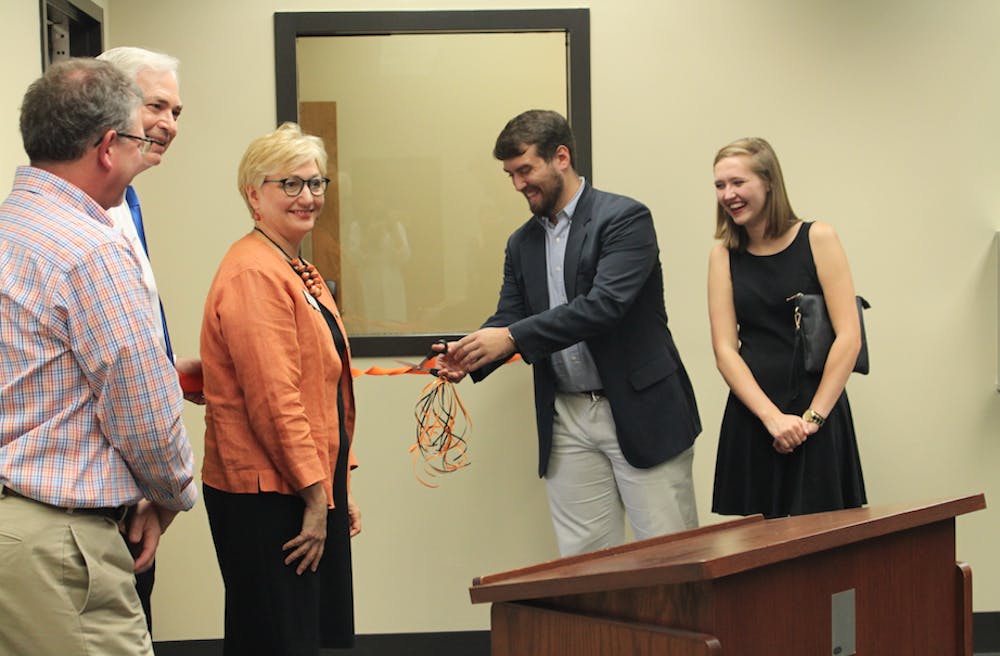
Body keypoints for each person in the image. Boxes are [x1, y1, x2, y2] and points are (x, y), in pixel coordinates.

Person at [436, 109, 701, 557]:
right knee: (585, 563)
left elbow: (604, 307)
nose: (518, 185)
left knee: (669, 558)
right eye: (510, 175)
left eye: (525, 170)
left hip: (640, 410)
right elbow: (510, 316)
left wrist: (513, 338)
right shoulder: (521, 243)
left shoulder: (625, 219)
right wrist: (470, 353)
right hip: (567, 418)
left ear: (561, 157)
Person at [0, 58, 196, 656]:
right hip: (57, 544)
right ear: (109, 146)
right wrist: (171, 492)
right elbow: (145, 417)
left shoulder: (10, 230)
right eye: (139, 135)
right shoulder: (92, 253)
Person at [200, 122, 361, 656]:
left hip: (303, 481)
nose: (307, 197)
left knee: (303, 635)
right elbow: (275, 402)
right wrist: (318, 499)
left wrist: (339, 488)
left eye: (316, 183)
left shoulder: (293, 266)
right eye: (289, 184)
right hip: (270, 495)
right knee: (277, 639)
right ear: (254, 193)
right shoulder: (255, 274)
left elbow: (322, 389)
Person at [708, 137, 866, 518]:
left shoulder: (819, 238)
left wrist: (812, 418)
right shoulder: (722, 255)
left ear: (768, 182)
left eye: (737, 182)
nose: (728, 194)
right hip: (755, 418)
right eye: (720, 185)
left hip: (819, 416)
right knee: (757, 557)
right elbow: (725, 349)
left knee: (826, 552)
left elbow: (849, 336)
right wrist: (772, 418)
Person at [97, 44, 200, 633]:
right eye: (155, 106)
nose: (168, 124)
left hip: (132, 486)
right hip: (102, 488)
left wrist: (169, 368)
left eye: (177, 112)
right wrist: (167, 489)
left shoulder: (126, 201)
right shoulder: (87, 214)